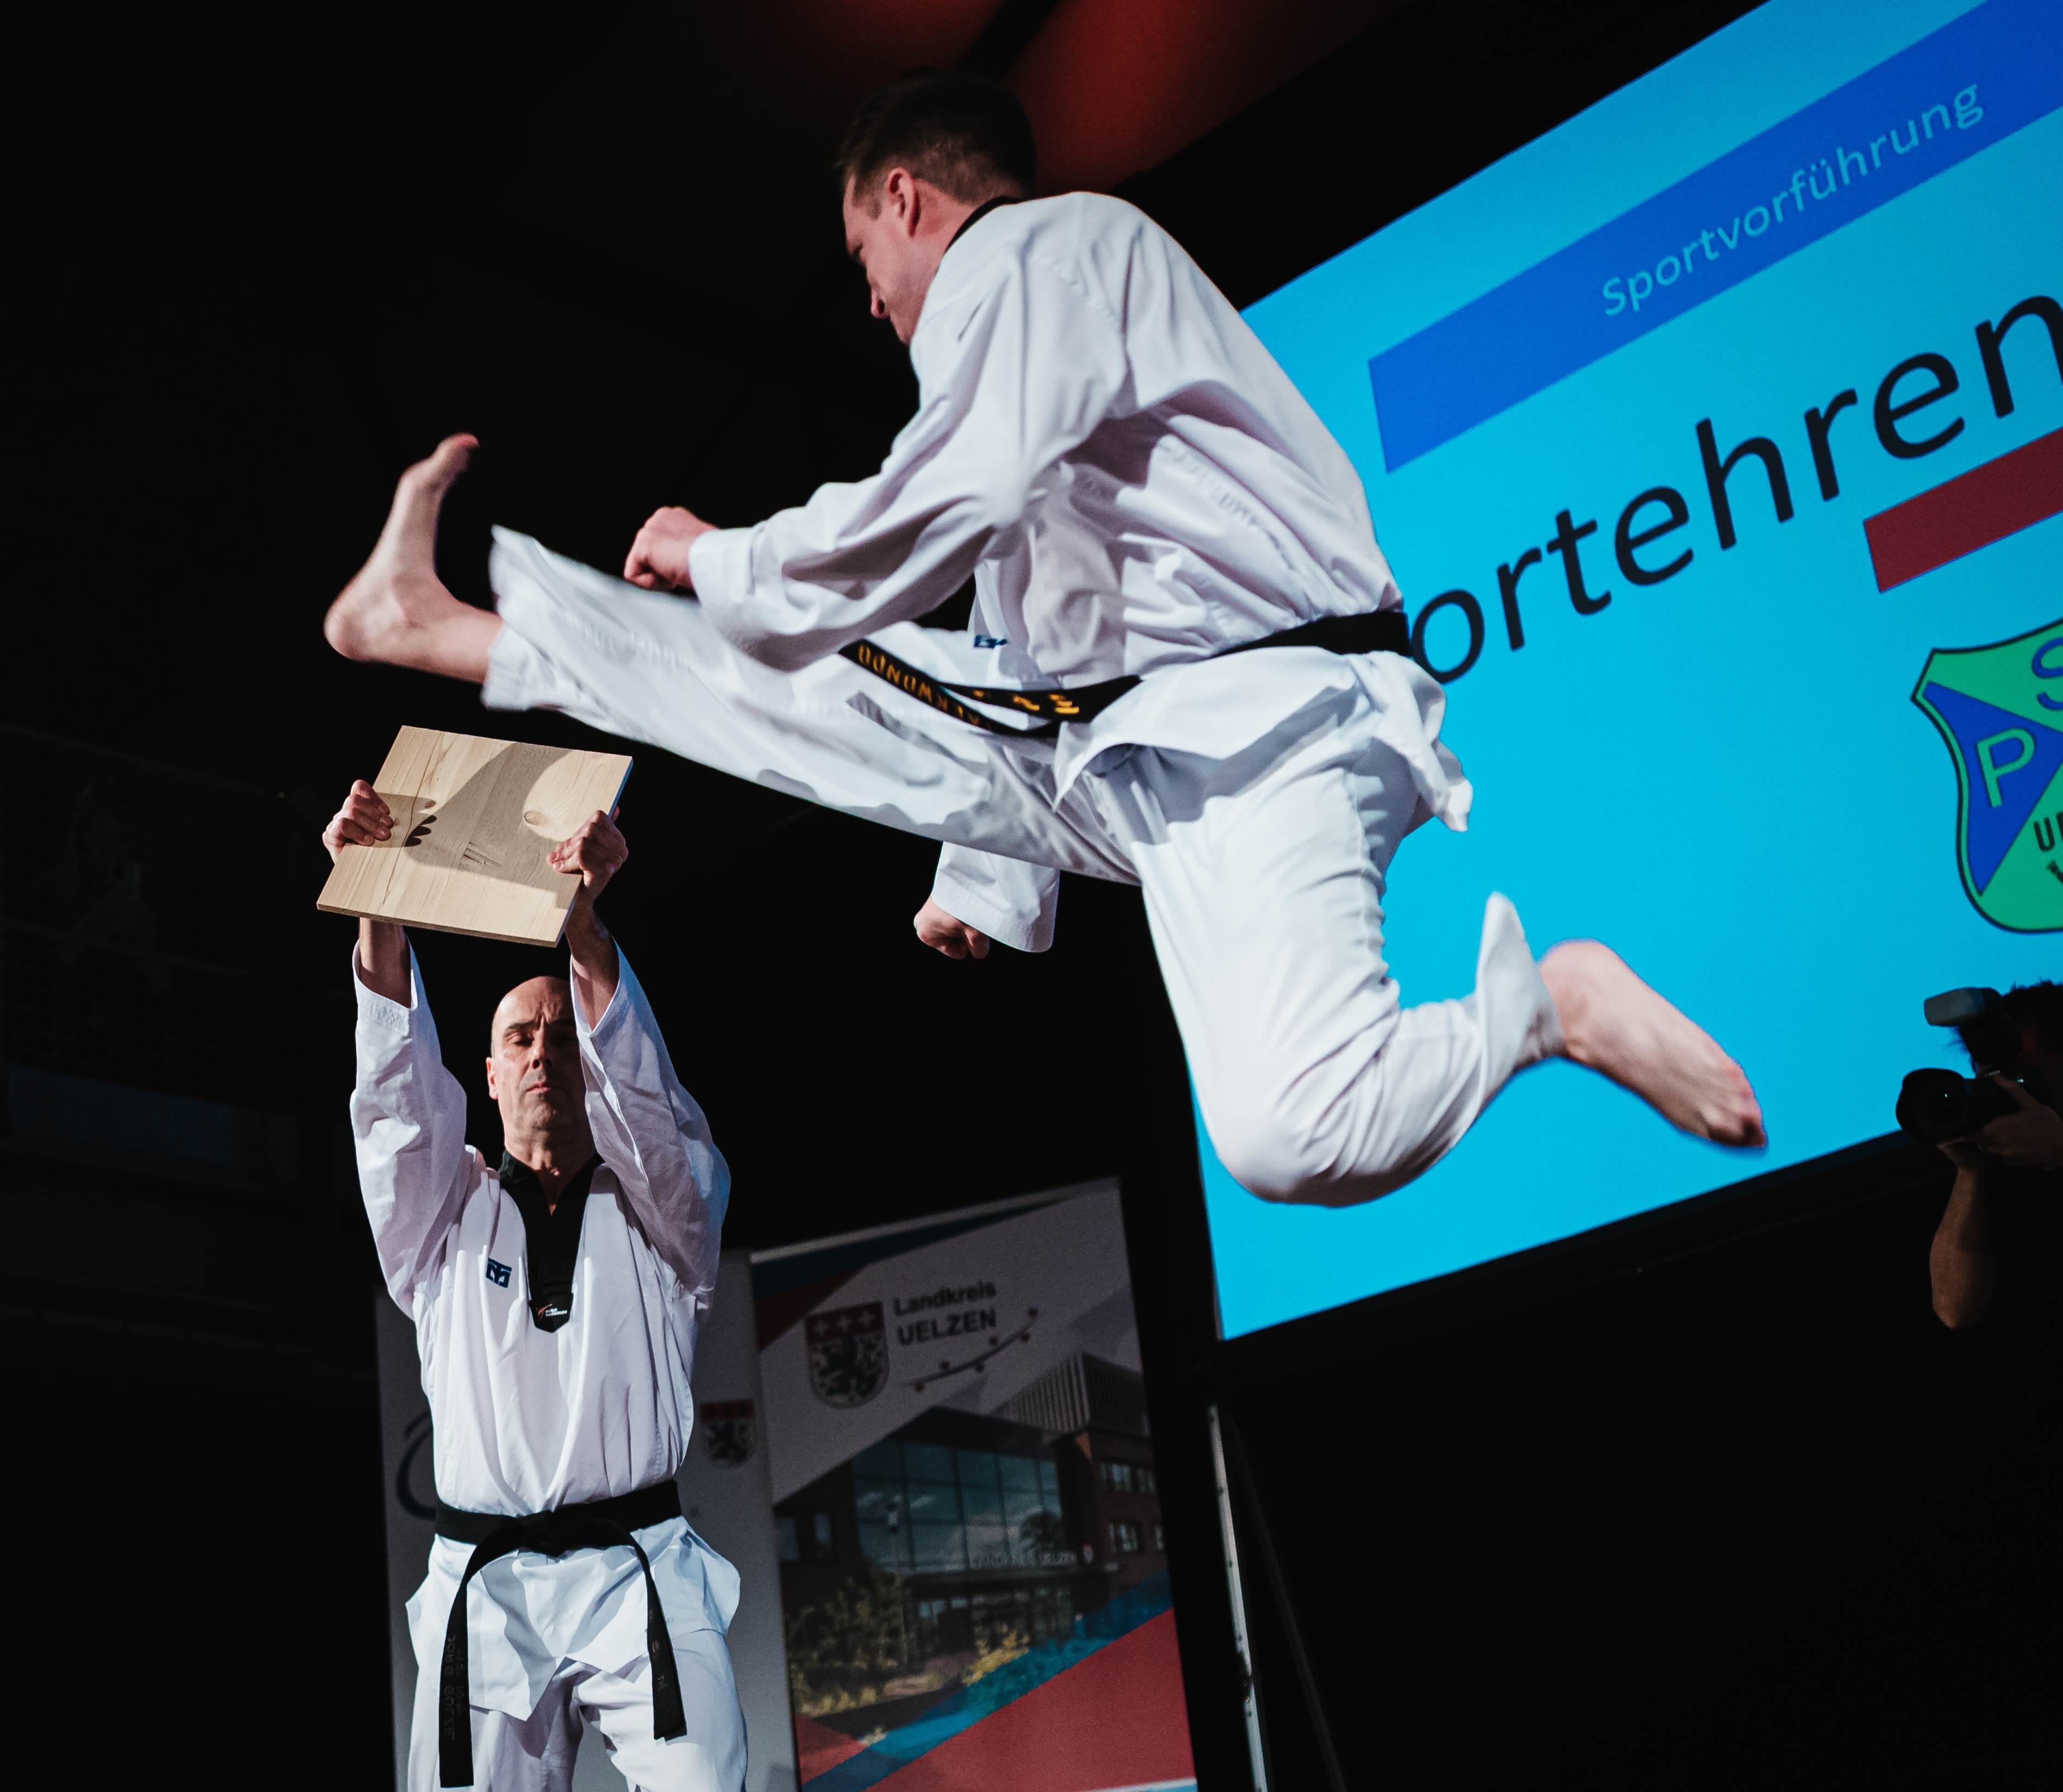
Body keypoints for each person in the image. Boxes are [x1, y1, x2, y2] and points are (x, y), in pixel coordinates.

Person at [321, 68, 1764, 1208]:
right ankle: (441, 628)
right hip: (1148, 750)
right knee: (1278, 1137)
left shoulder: (1035, 252)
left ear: (906, 198)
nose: (871, 299)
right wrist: (988, 874)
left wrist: (722, 553)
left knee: (814, 675)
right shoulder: (1045, 333)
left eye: (863, 254)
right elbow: (1016, 625)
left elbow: (953, 493)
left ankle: (1548, 1006)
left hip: (1259, 722)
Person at [331, 783, 772, 1792]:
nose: (540, 1054)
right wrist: (378, 902)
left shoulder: (669, 1209)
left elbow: (652, 1107)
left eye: (562, 1038)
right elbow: (394, 1106)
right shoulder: (439, 1220)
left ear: (593, 1065)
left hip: (638, 1572)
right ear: (485, 1074)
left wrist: (583, 924)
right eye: (517, 1039)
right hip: (486, 1584)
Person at [1929, 984, 2063, 1329]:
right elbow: (1955, 1310)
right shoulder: (2005, 1165)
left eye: (2021, 1075)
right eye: (1992, 1078)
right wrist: (1970, 1172)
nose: (2011, 1091)